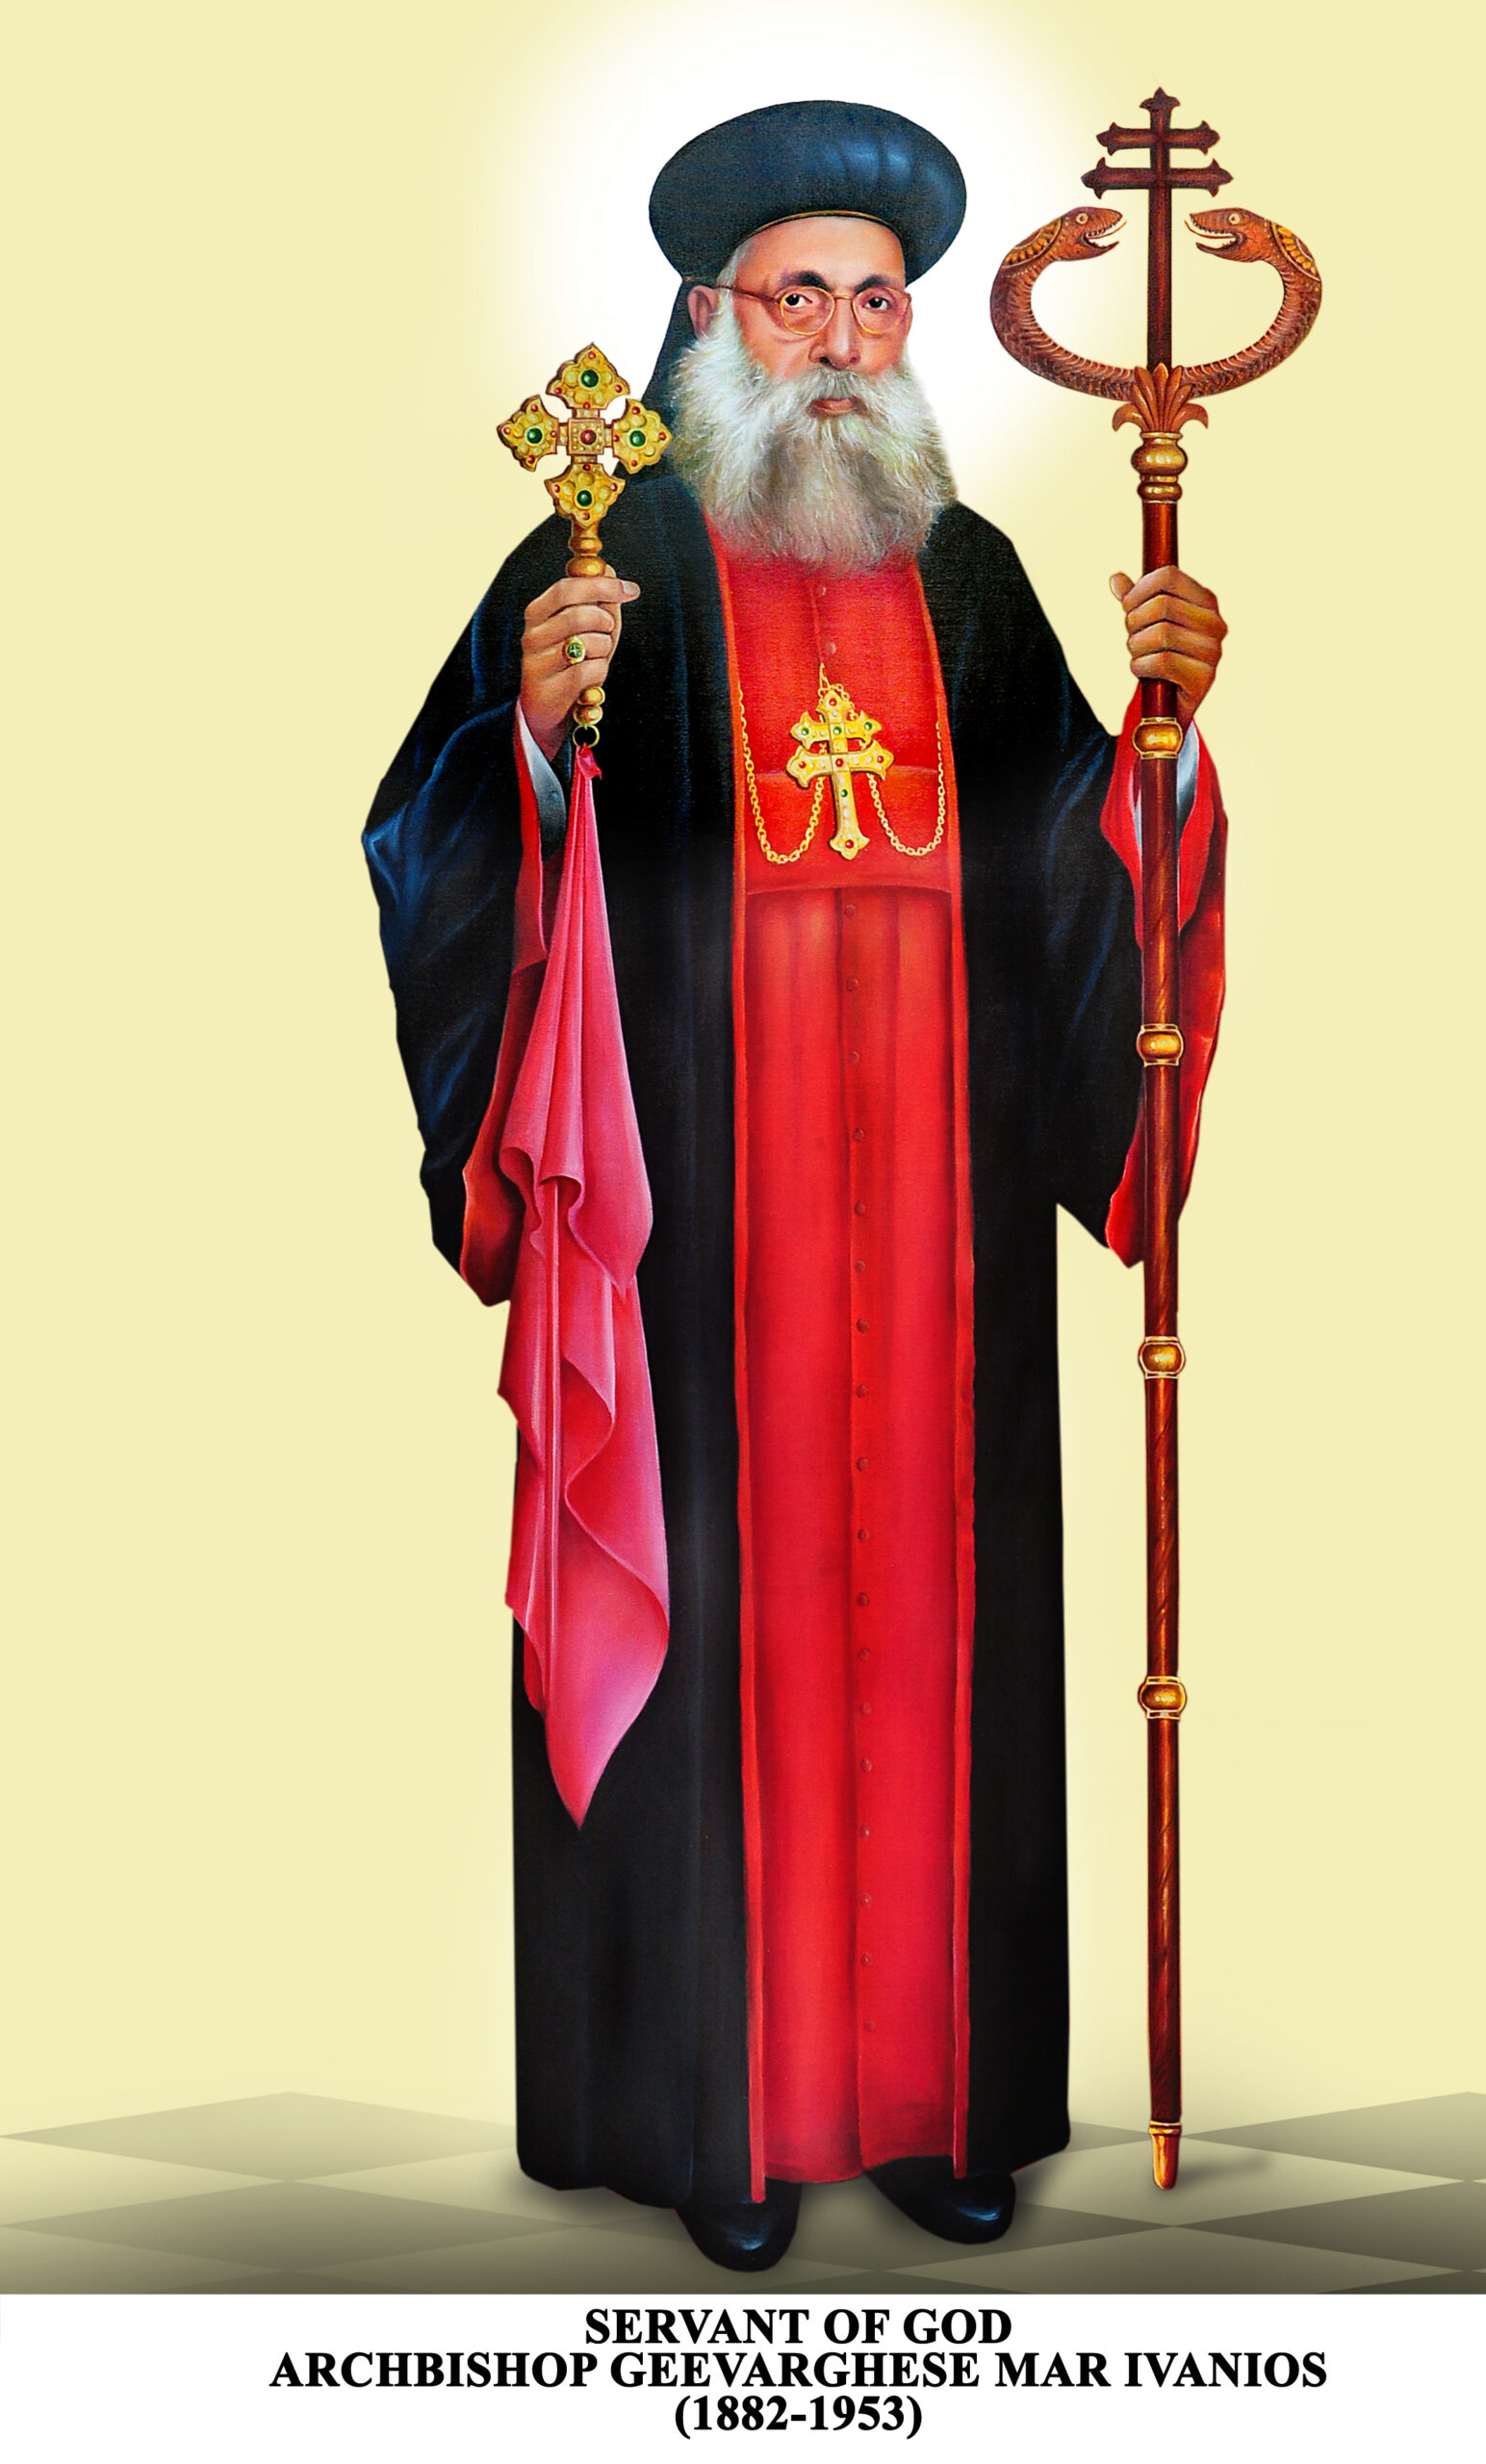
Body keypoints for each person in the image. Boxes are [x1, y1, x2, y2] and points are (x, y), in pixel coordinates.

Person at [365, 100, 1227, 2272]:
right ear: (704, 316)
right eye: (796, 300)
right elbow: (438, 839)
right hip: (703, 1224)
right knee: (724, 1638)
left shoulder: (964, 571)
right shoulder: (609, 556)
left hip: (940, 1231)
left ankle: (939, 2103)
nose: (840, 341)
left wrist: (1162, 742)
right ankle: (715, 2120)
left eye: (873, 302)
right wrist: (532, 741)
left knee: (942, 1640)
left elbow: (1079, 872)